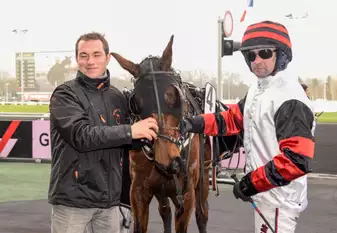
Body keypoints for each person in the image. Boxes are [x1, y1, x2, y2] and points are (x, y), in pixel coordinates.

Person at [181, 20, 316, 233]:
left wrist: (250, 183)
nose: (257, 61)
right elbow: (233, 119)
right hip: (266, 195)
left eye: (264, 53)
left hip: (280, 201)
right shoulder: (258, 89)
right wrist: (194, 123)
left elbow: (296, 160)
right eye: (251, 55)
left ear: (281, 55)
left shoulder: (290, 98)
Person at [48, 32, 158, 233]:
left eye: (97, 55)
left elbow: (123, 143)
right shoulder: (65, 94)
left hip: (109, 205)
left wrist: (145, 137)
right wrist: (130, 131)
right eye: (84, 55)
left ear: (107, 59)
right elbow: (81, 136)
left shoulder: (118, 97)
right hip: (73, 203)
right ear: (77, 59)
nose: (90, 61)